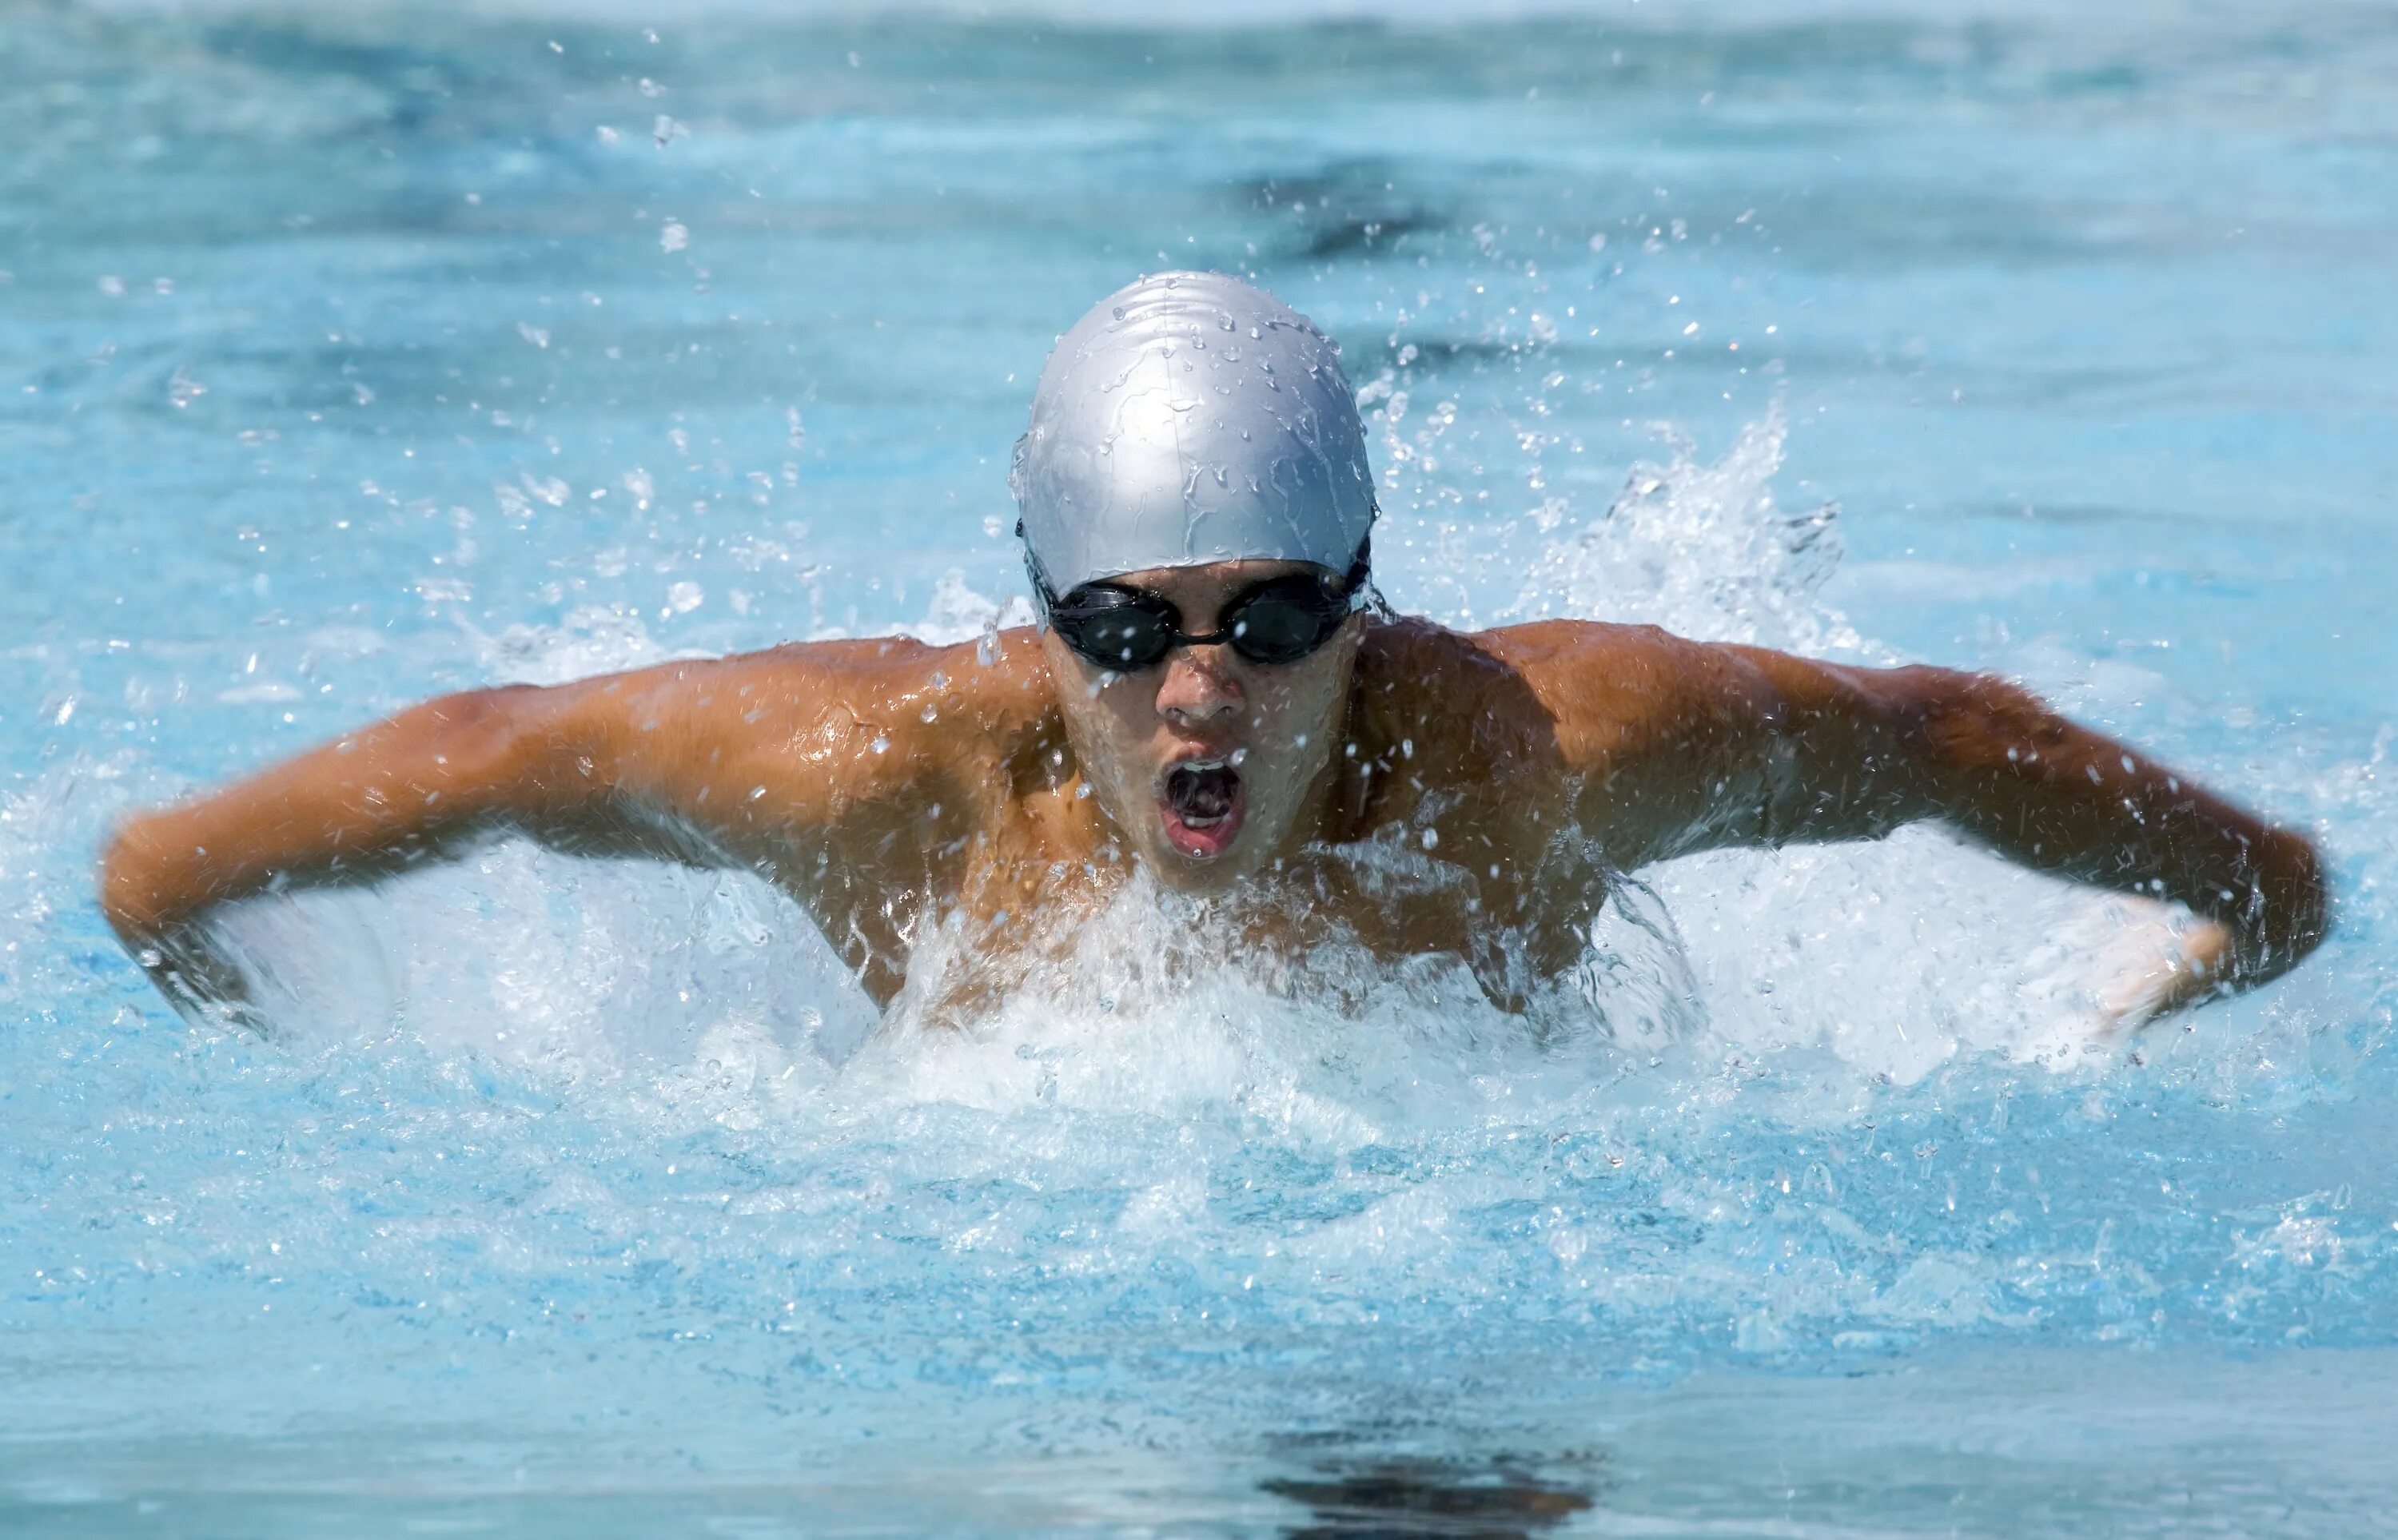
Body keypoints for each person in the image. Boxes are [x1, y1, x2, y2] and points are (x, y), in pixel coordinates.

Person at [98, 272, 2327, 1033]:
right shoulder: (879, 779)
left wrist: (2257, 904)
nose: (1200, 695)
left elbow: (1925, 739)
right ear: (1036, 623)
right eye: (1125, 632)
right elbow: (496, 753)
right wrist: (193, 934)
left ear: (1365, 601)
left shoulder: (1535, 754)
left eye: (1271, 623)